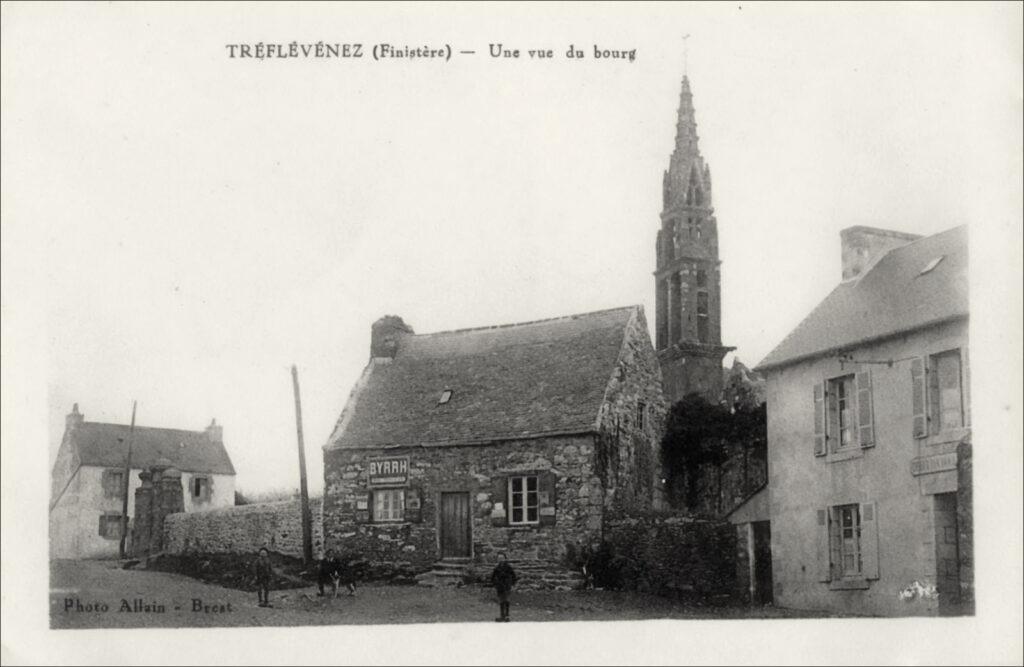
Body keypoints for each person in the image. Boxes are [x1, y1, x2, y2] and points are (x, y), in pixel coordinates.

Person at [490, 552, 517, 622]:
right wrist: (494, 584)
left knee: (506, 599)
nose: (500, 560)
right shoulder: (497, 568)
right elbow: (492, 577)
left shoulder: (508, 567)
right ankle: (502, 615)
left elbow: (513, 576)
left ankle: (507, 615)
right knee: (501, 600)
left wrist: (513, 584)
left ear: (505, 559)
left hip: (507, 585)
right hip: (500, 586)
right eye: (499, 558)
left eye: (502, 558)